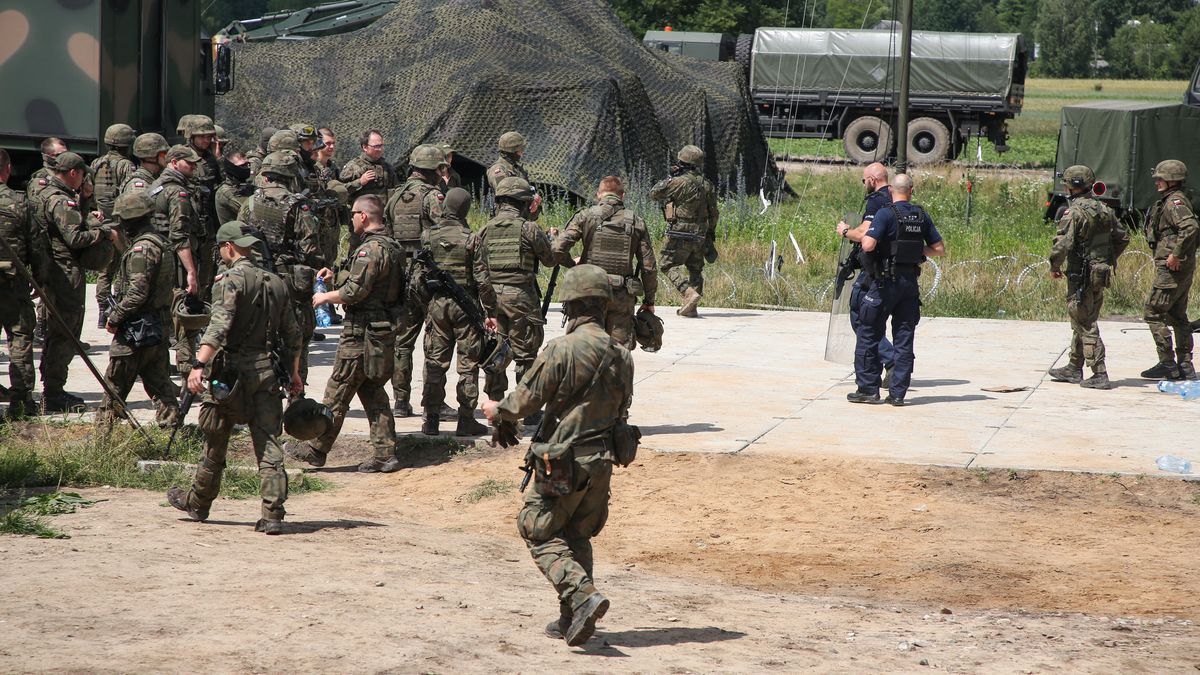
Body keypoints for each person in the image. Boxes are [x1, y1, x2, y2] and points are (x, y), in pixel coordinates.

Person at [480, 264, 634, 647]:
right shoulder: (622, 354)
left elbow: (526, 400)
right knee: (577, 534)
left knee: (536, 528)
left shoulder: (563, 349)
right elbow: (622, 410)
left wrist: (496, 410)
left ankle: (581, 595)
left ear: (572, 306)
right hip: (602, 461)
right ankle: (573, 617)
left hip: (563, 462)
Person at [167, 221, 303, 535]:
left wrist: (198, 365)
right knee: (269, 445)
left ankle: (198, 503)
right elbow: (293, 336)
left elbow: (219, 326)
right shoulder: (277, 282)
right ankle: (273, 514)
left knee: (215, 441)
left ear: (228, 248)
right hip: (266, 372)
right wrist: (294, 374)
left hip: (228, 375)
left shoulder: (230, 280)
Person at [287, 194, 405, 473]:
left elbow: (356, 292)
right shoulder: (391, 246)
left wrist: (326, 297)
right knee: (371, 390)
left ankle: (316, 448)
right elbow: (368, 283)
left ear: (363, 216)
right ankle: (385, 453)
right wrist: (335, 277)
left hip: (361, 333)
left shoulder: (370, 250)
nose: (351, 219)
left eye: (353, 213)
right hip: (380, 331)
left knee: (337, 389)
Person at [846, 173, 945, 406]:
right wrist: (915, 252)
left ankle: (868, 390)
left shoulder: (886, 213)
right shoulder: (921, 215)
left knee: (868, 333)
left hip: (883, 283)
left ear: (892, 191)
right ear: (912, 190)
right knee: (904, 338)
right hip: (909, 284)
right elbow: (938, 249)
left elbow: (868, 244)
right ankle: (898, 393)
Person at [34, 151, 119, 412]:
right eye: (82, 175)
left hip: (54, 271)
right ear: (74, 173)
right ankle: (54, 393)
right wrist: (103, 232)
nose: (83, 179)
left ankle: (53, 390)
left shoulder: (48, 193)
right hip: (64, 273)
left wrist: (87, 199)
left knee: (58, 332)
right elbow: (75, 239)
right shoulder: (61, 200)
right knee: (65, 332)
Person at [474, 176, 557, 422]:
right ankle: (527, 410)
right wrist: (552, 239)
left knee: (496, 352)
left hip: (492, 300)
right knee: (526, 355)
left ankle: (496, 405)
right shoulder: (529, 229)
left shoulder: (485, 230)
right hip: (522, 298)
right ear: (523, 203)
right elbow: (550, 259)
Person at [238, 150, 324, 381]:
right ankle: (296, 388)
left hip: (256, 278)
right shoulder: (298, 205)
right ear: (291, 177)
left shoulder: (250, 203)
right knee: (297, 337)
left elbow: (238, 237)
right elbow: (310, 249)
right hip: (289, 280)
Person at [97, 191, 179, 427]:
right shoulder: (161, 242)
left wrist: (115, 316)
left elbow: (137, 293)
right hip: (157, 327)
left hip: (137, 330)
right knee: (161, 385)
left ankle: (103, 440)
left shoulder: (142, 250)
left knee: (114, 386)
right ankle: (172, 435)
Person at [414, 187, 490, 436]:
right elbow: (482, 281)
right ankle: (466, 420)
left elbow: (419, 277)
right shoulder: (471, 238)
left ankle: (431, 420)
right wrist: (490, 312)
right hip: (465, 306)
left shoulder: (428, 236)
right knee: (468, 365)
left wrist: (429, 301)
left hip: (437, 306)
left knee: (435, 363)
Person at [1047, 165, 1129, 390]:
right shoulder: (1104, 209)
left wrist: (1054, 265)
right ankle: (1074, 367)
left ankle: (1099, 372)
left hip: (1081, 274)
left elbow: (1062, 244)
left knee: (1084, 321)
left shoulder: (1074, 212)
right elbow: (1122, 238)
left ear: (1073, 186)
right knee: (1082, 319)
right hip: (1099, 273)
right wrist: (1105, 259)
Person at [552, 175, 657, 349]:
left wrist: (572, 264)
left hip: (588, 294)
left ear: (598, 195)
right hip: (621, 296)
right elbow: (649, 267)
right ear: (622, 196)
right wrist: (649, 301)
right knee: (619, 352)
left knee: (584, 349)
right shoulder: (636, 222)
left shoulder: (585, 216)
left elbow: (557, 249)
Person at [386, 144, 447, 417]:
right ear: (434, 170)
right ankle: (432, 403)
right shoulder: (433, 196)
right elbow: (444, 232)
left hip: (400, 273)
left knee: (403, 341)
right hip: (426, 273)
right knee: (434, 340)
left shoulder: (395, 196)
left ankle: (400, 401)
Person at [0, 148, 51, 420]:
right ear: (7, 170)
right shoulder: (20, 203)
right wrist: (40, 278)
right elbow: (37, 246)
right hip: (12, 284)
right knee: (20, 339)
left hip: (13, 282)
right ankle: (20, 401)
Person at [836, 162, 896, 383]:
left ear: (872, 179)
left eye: (864, 180)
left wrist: (845, 231)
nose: (864, 185)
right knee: (874, 319)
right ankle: (880, 365)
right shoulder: (895, 198)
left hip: (874, 268)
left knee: (860, 316)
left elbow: (864, 234)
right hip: (893, 268)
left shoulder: (877, 200)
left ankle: (888, 362)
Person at [1140, 159, 1199, 381]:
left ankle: (1167, 363)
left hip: (1172, 268)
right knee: (1178, 315)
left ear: (1172, 181)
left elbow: (1190, 227)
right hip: (1181, 268)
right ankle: (1185, 365)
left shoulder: (1174, 202)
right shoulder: (1176, 199)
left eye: (1160, 179)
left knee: (1153, 312)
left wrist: (1176, 254)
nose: (1157, 182)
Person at [149, 144, 205, 375]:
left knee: (162, 317)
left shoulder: (155, 187)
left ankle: (160, 372)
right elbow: (180, 236)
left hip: (158, 259)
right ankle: (185, 371)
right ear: (174, 163)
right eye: (188, 162)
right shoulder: (177, 193)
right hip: (175, 262)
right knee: (185, 317)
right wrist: (191, 272)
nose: (193, 166)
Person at [651, 145, 718, 317]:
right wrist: (710, 232)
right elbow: (714, 212)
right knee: (695, 269)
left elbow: (655, 193)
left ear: (682, 161)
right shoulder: (707, 185)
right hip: (700, 232)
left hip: (680, 231)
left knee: (666, 264)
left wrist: (670, 177)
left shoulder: (678, 182)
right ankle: (691, 308)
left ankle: (687, 293)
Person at [487, 131, 541, 218]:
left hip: (521, 217)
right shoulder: (498, 170)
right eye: (520, 149)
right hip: (505, 219)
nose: (522, 152)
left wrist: (534, 197)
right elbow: (505, 193)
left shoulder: (517, 168)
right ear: (513, 151)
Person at [340, 129, 396, 202]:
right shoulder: (352, 166)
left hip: (382, 211)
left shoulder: (387, 167)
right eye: (376, 146)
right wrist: (360, 182)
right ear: (365, 147)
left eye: (381, 145)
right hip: (361, 211)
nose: (380, 149)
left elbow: (396, 188)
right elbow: (340, 191)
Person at [215, 151, 252, 225]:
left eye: (248, 164)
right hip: (235, 235)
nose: (246, 168)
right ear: (231, 167)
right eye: (242, 165)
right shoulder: (227, 192)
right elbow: (251, 212)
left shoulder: (244, 185)